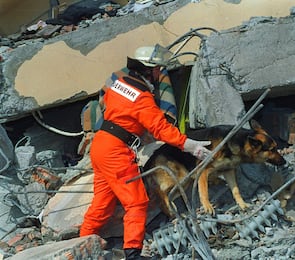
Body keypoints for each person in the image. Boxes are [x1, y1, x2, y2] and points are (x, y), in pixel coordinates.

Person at [79, 46, 212, 259]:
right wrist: (190, 145)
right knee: (137, 201)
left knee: (102, 204)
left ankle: (80, 246)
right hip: (116, 151)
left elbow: (109, 105)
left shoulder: (119, 84)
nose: (160, 73)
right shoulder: (142, 97)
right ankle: (132, 252)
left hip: (101, 146)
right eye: (159, 68)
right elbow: (161, 129)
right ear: (149, 70)